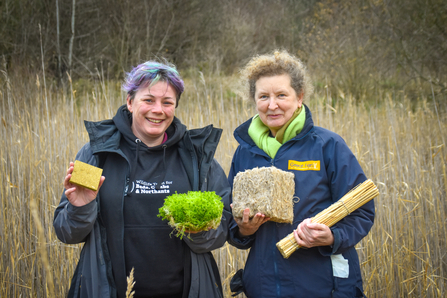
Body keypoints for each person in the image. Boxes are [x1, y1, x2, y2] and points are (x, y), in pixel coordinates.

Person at [53, 60, 231, 298]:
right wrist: (81, 207)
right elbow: (67, 233)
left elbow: (222, 231)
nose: (158, 110)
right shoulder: (97, 153)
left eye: (167, 102)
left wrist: (198, 228)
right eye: (148, 100)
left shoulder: (196, 157)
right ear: (130, 102)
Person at [227, 50, 375, 298]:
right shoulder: (245, 152)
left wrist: (332, 236)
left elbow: (362, 209)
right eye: (263, 96)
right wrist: (244, 230)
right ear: (254, 100)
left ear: (300, 97)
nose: (272, 105)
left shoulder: (328, 145)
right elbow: (230, 220)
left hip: (322, 286)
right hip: (264, 287)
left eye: (281, 95)